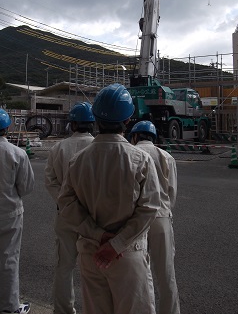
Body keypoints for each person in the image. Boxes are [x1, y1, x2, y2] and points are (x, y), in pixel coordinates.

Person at [58, 83, 161, 314]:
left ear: (96, 118)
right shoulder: (141, 160)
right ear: (128, 120)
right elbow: (149, 208)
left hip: (91, 253)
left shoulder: (78, 161)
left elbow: (66, 203)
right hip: (127, 254)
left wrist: (98, 235)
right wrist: (115, 244)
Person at [45, 102, 95, 314]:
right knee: (94, 270)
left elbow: (50, 180)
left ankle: (64, 310)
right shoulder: (98, 147)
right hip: (94, 218)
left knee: (64, 267)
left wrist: (66, 204)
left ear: (72, 124)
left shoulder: (59, 148)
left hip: (65, 216)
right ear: (93, 123)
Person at [0, 107, 34, 314]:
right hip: (9, 216)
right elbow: (26, 187)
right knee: (9, 261)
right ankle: (9, 308)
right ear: (7, 127)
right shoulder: (17, 153)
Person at [130, 120, 180, 314]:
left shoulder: (132, 155)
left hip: (138, 219)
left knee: (141, 273)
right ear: (153, 137)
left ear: (135, 136)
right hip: (161, 217)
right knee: (166, 273)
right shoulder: (167, 157)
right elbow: (171, 191)